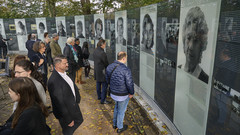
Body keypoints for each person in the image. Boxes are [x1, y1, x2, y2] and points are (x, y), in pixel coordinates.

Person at [48, 55, 83, 135]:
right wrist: (68, 119)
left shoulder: (64, 73)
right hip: (66, 113)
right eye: (65, 63)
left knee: (80, 120)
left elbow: (72, 86)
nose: (67, 64)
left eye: (67, 62)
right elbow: (59, 103)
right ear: (57, 65)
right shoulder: (54, 81)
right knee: (68, 131)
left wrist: (77, 98)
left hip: (72, 106)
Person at [106, 51, 134, 133]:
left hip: (113, 93)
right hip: (123, 95)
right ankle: (120, 127)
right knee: (121, 111)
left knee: (116, 108)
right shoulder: (126, 69)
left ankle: (115, 124)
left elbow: (107, 80)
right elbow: (129, 83)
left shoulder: (110, 67)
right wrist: (131, 93)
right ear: (123, 58)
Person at [180, 6, 209, 84]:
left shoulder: (206, 81)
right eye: (188, 38)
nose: (191, 47)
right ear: (183, 39)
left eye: (196, 41)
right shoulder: (178, 69)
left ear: (202, 46)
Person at [93, 39, 110, 104]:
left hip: (97, 70)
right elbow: (106, 63)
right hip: (102, 71)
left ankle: (99, 96)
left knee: (98, 83)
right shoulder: (102, 53)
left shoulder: (95, 51)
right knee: (104, 85)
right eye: (105, 44)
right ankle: (103, 100)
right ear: (102, 44)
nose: (105, 45)